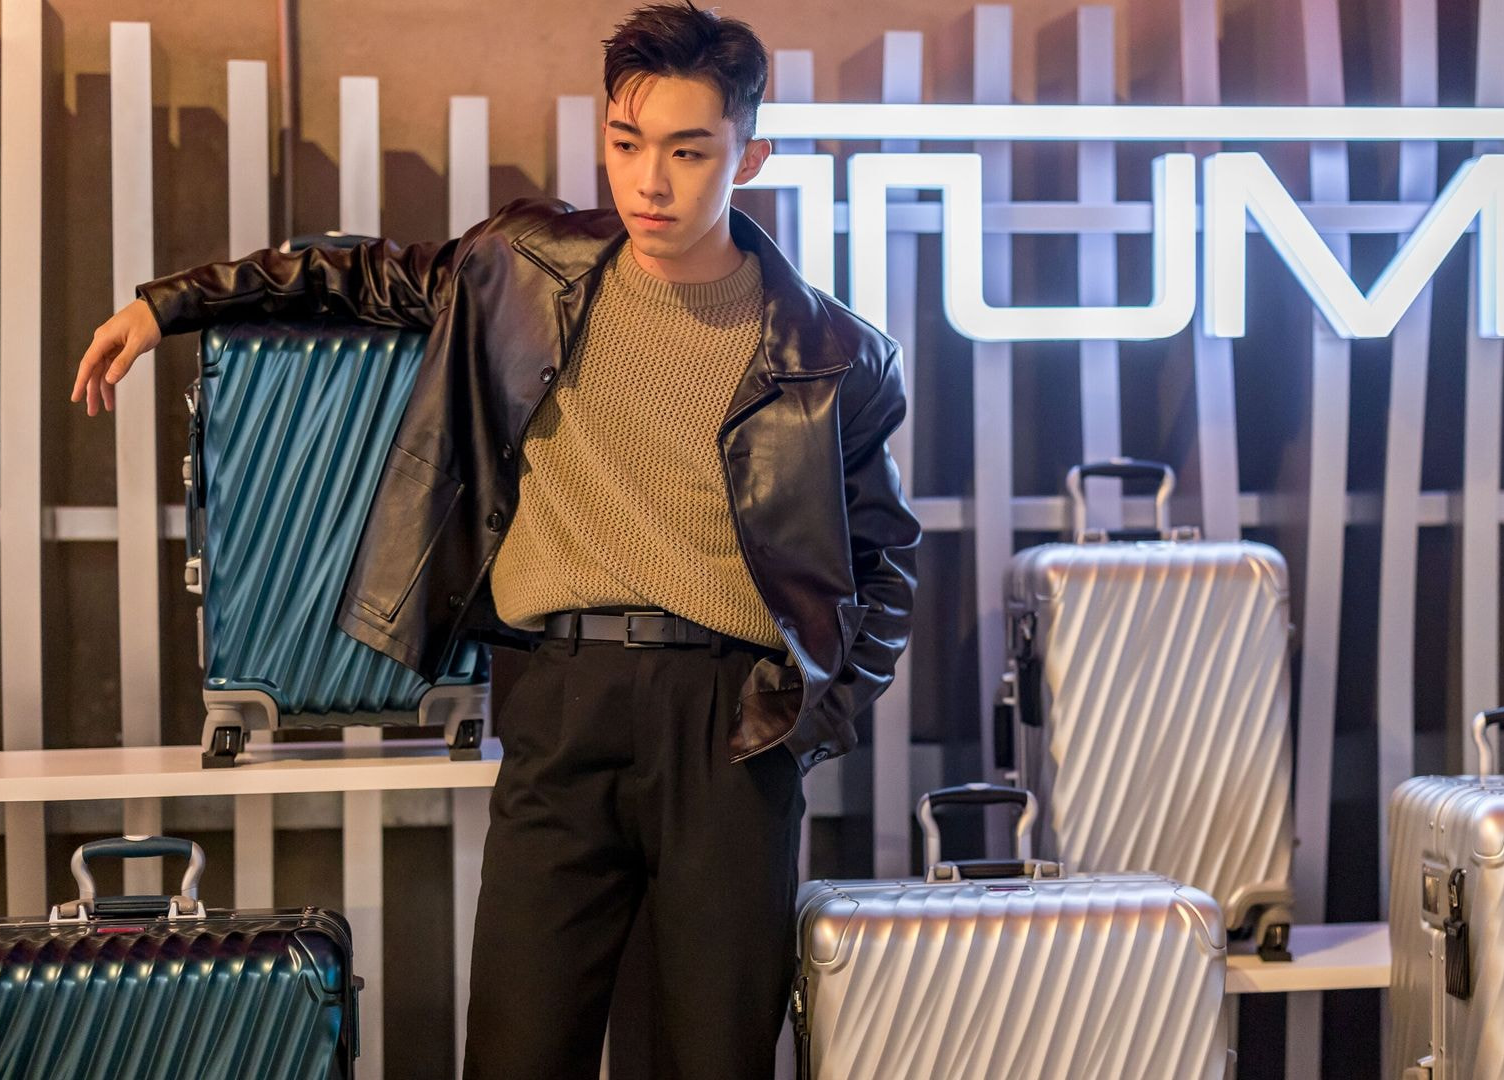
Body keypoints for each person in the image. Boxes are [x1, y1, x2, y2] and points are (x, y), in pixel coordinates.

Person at [68, 3, 919, 1076]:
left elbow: (886, 565)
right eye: (627, 144)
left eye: (689, 151)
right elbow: (355, 276)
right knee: (518, 1046)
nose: (650, 182)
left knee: (712, 1055)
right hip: (560, 698)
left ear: (750, 156)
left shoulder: (835, 353)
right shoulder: (524, 265)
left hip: (730, 723)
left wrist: (805, 722)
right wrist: (171, 306)